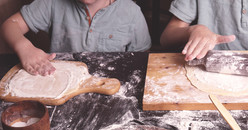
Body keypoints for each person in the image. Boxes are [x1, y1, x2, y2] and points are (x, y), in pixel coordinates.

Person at [1, 0, 151, 76]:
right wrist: (24, 47)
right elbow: (10, 24)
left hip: (109, 86)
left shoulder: (132, 12)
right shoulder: (52, 3)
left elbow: (142, 59)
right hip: (60, 82)